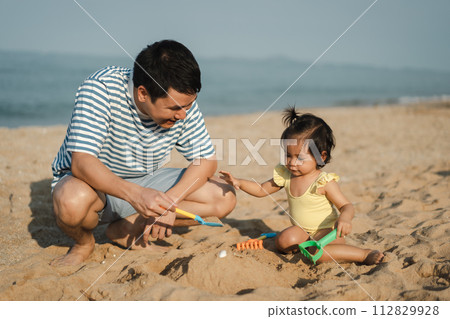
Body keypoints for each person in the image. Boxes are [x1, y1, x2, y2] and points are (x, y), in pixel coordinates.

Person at [51, 40, 236, 266]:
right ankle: (83, 243)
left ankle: (127, 227)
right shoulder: (100, 89)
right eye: (175, 108)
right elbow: (81, 163)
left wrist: (171, 202)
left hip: (146, 181)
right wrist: (137, 195)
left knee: (223, 196)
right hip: (95, 187)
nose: (183, 115)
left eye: (189, 105)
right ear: (142, 93)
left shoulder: (182, 102)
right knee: (71, 202)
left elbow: (206, 160)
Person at [220, 107, 384, 265]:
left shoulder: (323, 182)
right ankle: (305, 246)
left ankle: (363, 254)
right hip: (302, 232)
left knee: (318, 254)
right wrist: (238, 182)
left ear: (321, 157)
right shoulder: (286, 175)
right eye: (288, 155)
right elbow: (262, 189)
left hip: (327, 232)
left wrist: (345, 219)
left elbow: (346, 205)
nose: (291, 163)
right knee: (283, 241)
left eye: (299, 158)